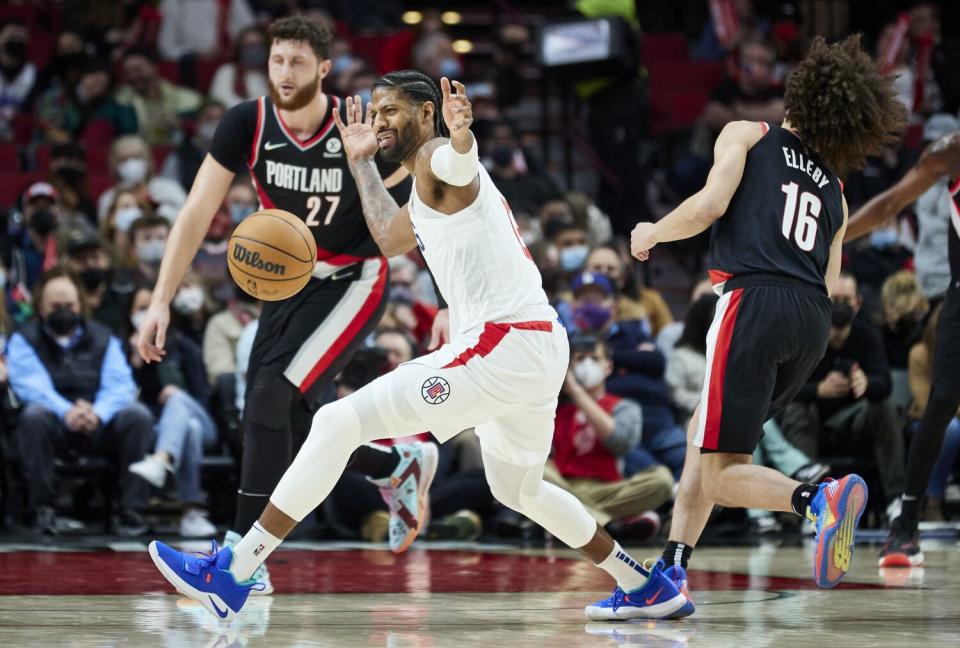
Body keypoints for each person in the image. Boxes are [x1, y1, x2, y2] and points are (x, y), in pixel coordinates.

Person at [148, 71, 694, 622]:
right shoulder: (422, 188)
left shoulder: (437, 158)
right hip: (533, 346)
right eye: (375, 111)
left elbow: (456, 160)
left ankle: (235, 570)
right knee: (520, 491)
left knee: (337, 422)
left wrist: (463, 137)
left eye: (392, 111)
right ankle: (642, 583)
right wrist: (359, 160)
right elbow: (388, 236)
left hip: (504, 343)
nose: (380, 121)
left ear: (427, 113)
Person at [135, 17, 437, 594]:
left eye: (298, 62)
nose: (285, 72)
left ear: (323, 69)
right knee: (291, 421)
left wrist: (445, 297)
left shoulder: (356, 123)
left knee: (271, 397)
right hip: (286, 281)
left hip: (353, 278)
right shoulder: (247, 122)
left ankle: (242, 561)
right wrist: (161, 299)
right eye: (277, 61)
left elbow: (428, 200)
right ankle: (394, 465)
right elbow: (197, 210)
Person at [625, 34, 906, 612]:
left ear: (799, 94)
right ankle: (672, 570)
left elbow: (707, 206)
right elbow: (829, 284)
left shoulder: (748, 134)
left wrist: (652, 232)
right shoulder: (837, 191)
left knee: (724, 471)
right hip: (809, 322)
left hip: (753, 300)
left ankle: (818, 499)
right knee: (706, 442)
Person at [843, 124, 960, 567]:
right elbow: (892, 202)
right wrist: (835, 237)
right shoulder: (952, 151)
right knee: (942, 399)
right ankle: (906, 524)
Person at [6, 268, 154, 536]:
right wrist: (67, 412)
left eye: (70, 305)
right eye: (56, 305)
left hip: (98, 424)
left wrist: (97, 413)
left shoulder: (103, 336)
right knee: (33, 415)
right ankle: (44, 510)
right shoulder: (24, 338)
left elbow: (120, 384)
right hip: (55, 425)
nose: (64, 310)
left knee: (137, 415)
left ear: (81, 305)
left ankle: (133, 510)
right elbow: (31, 385)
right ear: (40, 306)